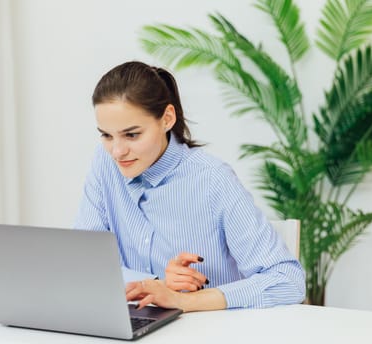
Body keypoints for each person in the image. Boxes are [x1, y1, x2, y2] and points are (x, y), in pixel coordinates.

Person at [75, 61, 305, 312]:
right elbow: (86, 265)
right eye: (107, 135)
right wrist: (156, 285)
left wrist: (185, 300)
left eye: (132, 135)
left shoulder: (212, 179)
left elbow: (288, 280)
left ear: (167, 119)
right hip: (137, 329)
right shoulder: (105, 164)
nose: (117, 151)